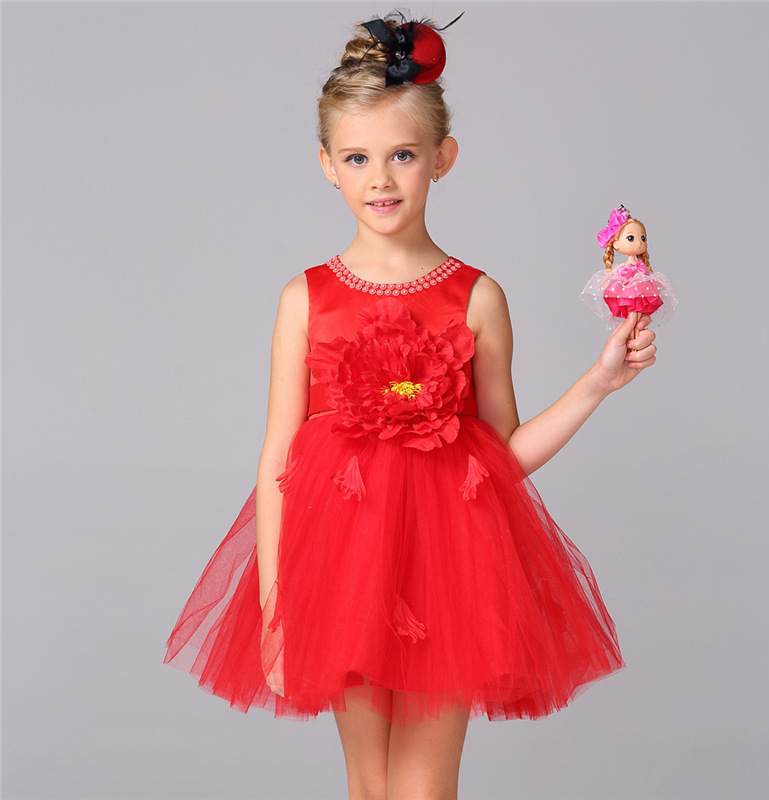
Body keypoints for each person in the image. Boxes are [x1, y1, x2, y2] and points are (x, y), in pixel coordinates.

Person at [164, 14, 657, 799]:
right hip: (339, 575)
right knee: (369, 786)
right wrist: (274, 607)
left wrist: (597, 382)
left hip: (448, 576)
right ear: (327, 165)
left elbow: (504, 458)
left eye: (403, 155)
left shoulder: (476, 298)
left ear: (442, 158)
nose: (381, 179)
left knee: (423, 790)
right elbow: (277, 457)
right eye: (358, 158)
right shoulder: (304, 299)